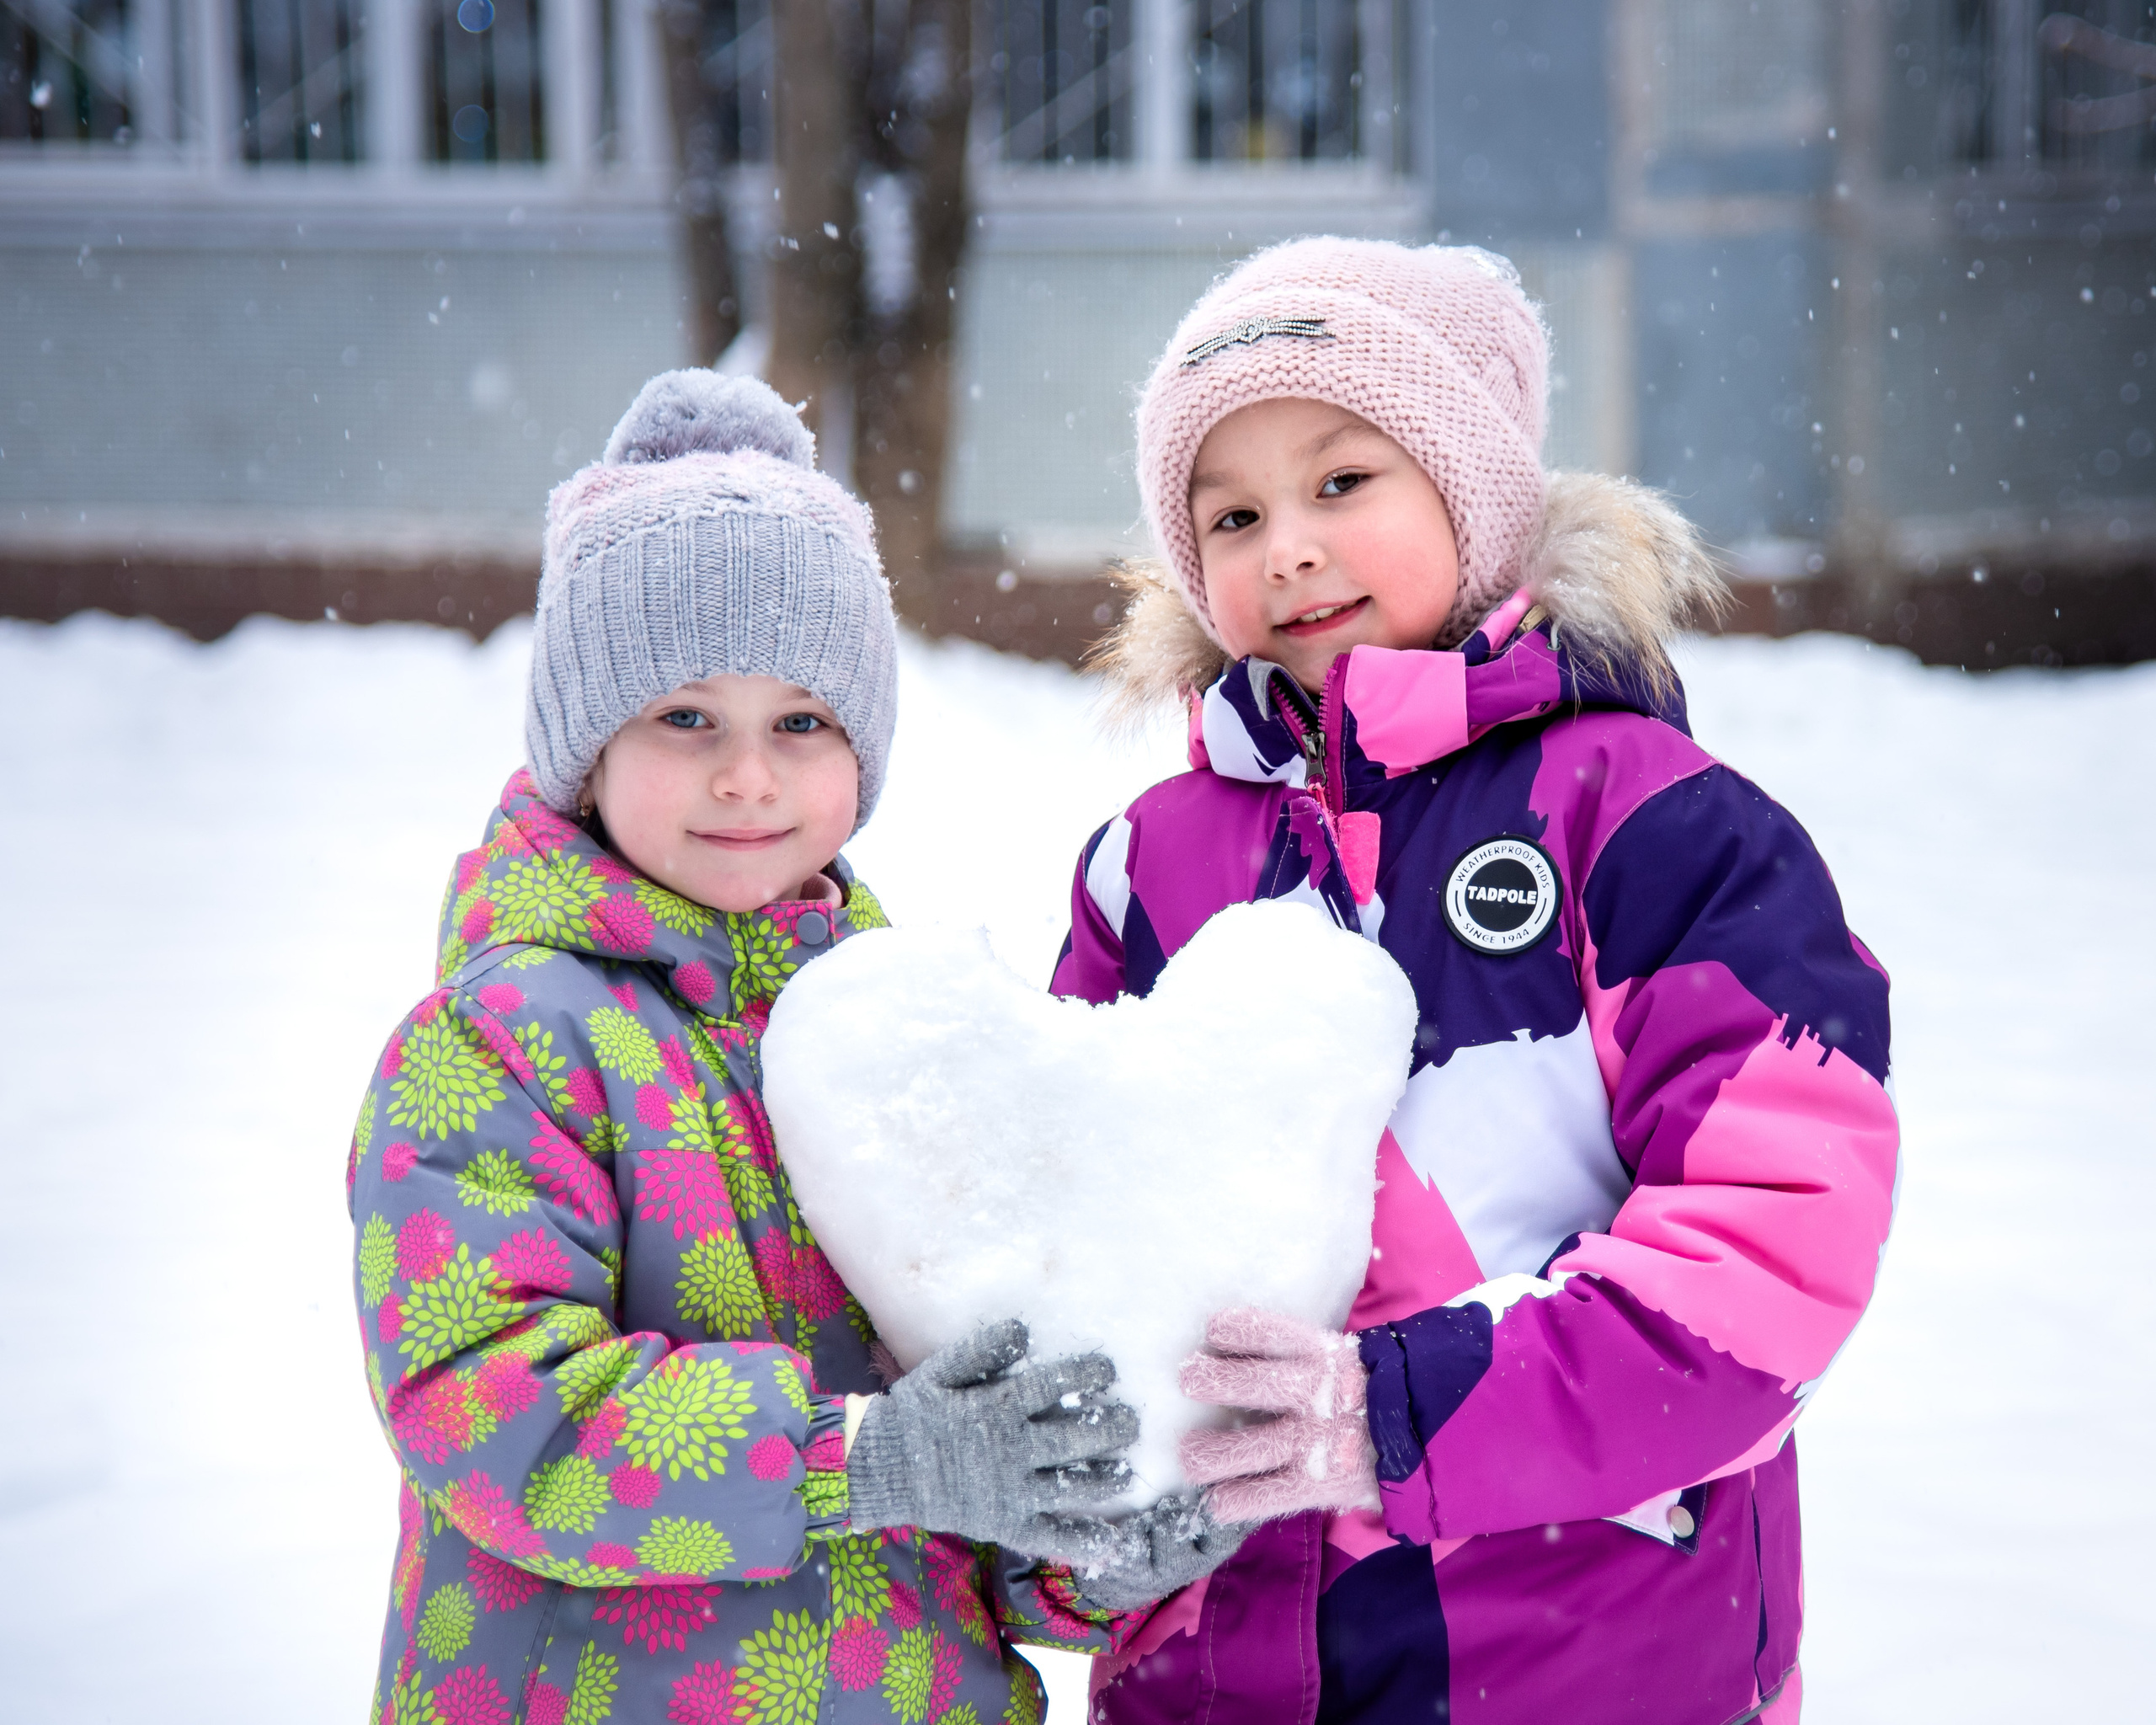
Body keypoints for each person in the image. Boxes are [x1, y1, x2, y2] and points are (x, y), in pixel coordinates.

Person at [1047, 238, 1898, 1722]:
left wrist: (1400, 1412)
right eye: (1231, 514)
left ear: (1474, 492)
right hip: (1225, 1670)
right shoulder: (1151, 864)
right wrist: (1080, 1514)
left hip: (1587, 1649)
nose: (1288, 548)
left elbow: (1770, 1250)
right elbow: (1072, 1219)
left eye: (1340, 483)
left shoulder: (1649, 823)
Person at [347, 370, 1151, 1725]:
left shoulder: (909, 1038)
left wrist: (1087, 1540)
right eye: (685, 719)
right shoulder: (499, 1044)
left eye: (801, 722)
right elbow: (491, 1414)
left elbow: (970, 1431)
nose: (748, 777)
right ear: (583, 748)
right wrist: (863, 1457)